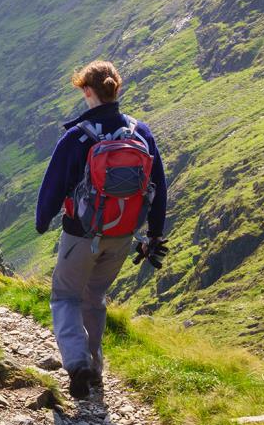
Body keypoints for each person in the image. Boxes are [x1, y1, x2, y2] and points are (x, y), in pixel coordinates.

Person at [35, 60, 168, 399]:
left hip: (81, 234)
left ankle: (78, 364)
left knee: (66, 296)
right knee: (94, 297)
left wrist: (43, 220)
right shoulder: (142, 133)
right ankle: (95, 367)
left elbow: (52, 188)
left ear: (87, 91)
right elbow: (158, 187)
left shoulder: (77, 138)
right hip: (122, 236)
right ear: (117, 89)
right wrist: (152, 235)